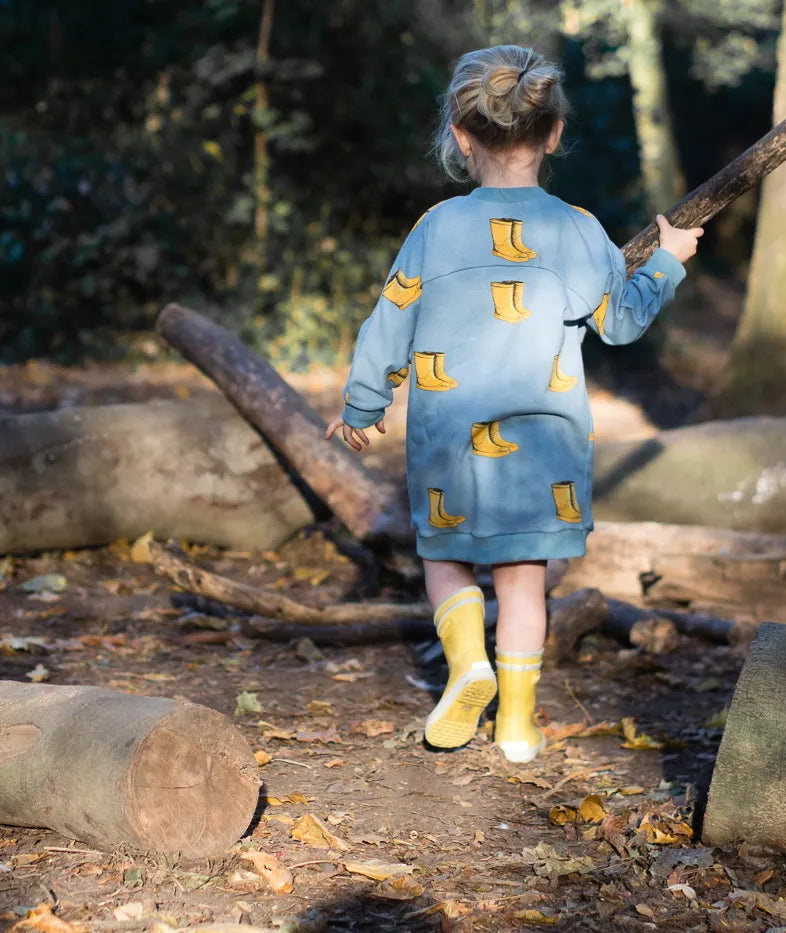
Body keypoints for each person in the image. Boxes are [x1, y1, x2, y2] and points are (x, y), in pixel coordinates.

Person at [324, 44, 702, 763]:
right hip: (544, 440)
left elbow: (389, 322)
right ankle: (518, 724)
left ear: (461, 136)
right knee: (525, 579)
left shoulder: (436, 228)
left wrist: (363, 406)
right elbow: (621, 321)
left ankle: (469, 662)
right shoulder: (579, 228)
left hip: (446, 431)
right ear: (554, 133)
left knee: (445, 557)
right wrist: (665, 261)